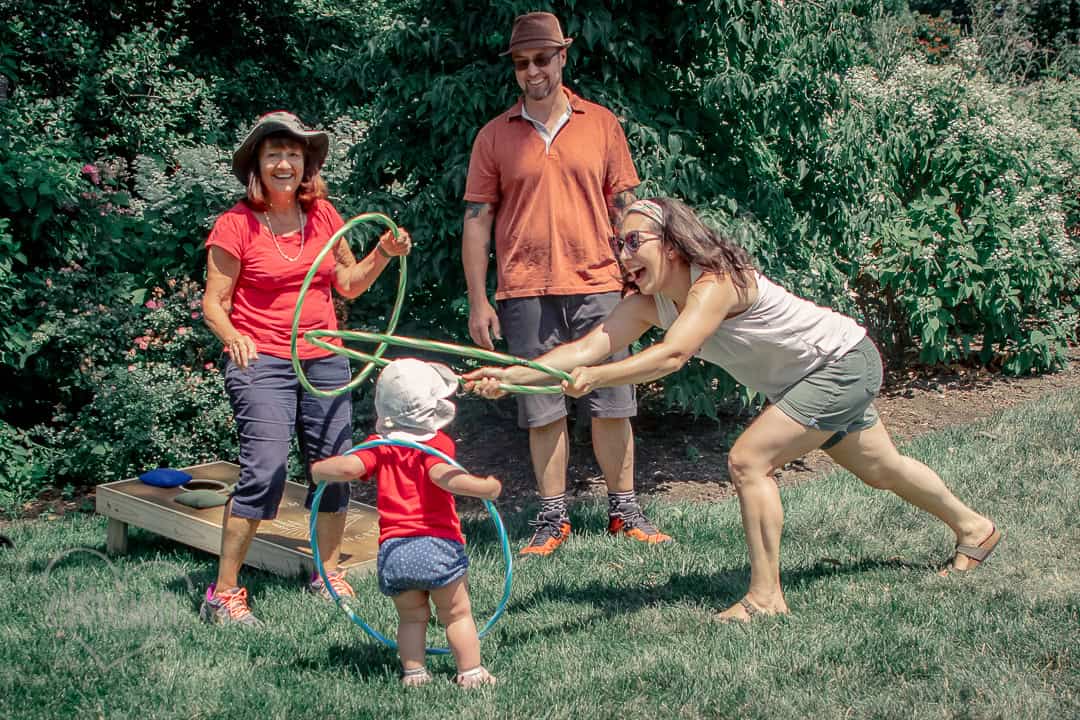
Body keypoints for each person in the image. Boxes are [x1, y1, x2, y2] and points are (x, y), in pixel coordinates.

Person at [464, 197, 1001, 621]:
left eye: (634, 241)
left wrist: (598, 379)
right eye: (617, 243)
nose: (623, 254)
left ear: (673, 243)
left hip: (840, 363)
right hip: (812, 377)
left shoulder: (717, 281)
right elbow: (582, 351)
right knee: (883, 469)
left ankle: (765, 597)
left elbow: (672, 355)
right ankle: (975, 528)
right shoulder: (649, 304)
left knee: (749, 461)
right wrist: (509, 378)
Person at [462, 11, 671, 557]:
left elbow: (626, 208)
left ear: (562, 57)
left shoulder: (600, 124)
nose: (532, 71)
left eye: (542, 59)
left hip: (600, 283)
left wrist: (638, 275)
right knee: (542, 408)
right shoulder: (493, 136)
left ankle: (625, 510)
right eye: (521, 62)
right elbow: (477, 221)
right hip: (524, 289)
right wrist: (479, 300)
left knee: (613, 402)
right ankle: (552, 518)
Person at [200, 111, 413, 626]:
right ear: (257, 165)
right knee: (265, 471)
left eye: (293, 154)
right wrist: (233, 337)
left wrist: (384, 253)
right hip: (263, 360)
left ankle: (327, 573)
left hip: (323, 357)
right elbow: (214, 304)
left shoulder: (324, 216)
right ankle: (222, 593)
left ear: (306, 164)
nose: (284, 163)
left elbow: (349, 284)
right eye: (274, 153)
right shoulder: (235, 224)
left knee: (335, 468)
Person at [312, 358, 502, 688]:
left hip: (395, 551)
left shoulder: (380, 445)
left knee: (412, 617)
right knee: (456, 613)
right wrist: (483, 488)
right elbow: (444, 476)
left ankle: (414, 674)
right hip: (437, 545)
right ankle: (470, 672)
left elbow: (349, 468)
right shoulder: (437, 445)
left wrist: (318, 470)